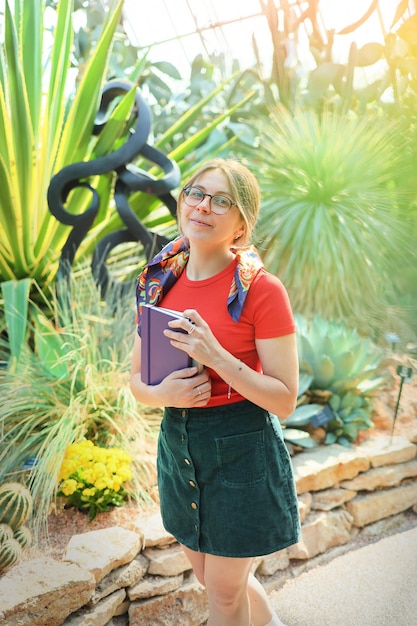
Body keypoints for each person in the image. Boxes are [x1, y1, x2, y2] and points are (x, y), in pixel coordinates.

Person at [130, 157, 300, 626]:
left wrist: (218, 357)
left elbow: (285, 399)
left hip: (241, 446)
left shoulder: (262, 290)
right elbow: (134, 381)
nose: (203, 206)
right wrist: (165, 394)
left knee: (223, 597)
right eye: (196, 193)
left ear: (241, 222)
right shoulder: (159, 279)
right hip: (179, 445)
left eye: (221, 200)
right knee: (215, 580)